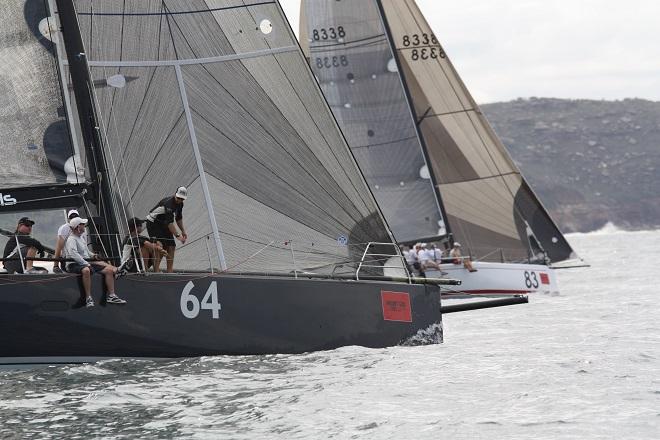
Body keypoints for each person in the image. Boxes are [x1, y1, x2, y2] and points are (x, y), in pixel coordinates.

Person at [65, 217, 126, 307]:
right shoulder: (71, 239)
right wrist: (86, 263)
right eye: (82, 224)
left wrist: (93, 255)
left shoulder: (81, 238)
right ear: (78, 227)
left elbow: (87, 252)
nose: (84, 225)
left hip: (85, 261)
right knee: (86, 270)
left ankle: (112, 296)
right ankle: (88, 298)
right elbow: (73, 254)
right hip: (74, 264)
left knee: (108, 271)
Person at [145, 186, 188, 273]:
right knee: (160, 246)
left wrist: (183, 231)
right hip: (154, 223)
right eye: (178, 198)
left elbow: (178, 218)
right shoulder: (168, 204)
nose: (179, 200)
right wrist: (178, 236)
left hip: (164, 224)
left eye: (182, 199)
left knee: (171, 246)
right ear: (175, 194)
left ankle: (169, 271)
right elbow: (170, 223)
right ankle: (156, 271)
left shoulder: (180, 204)